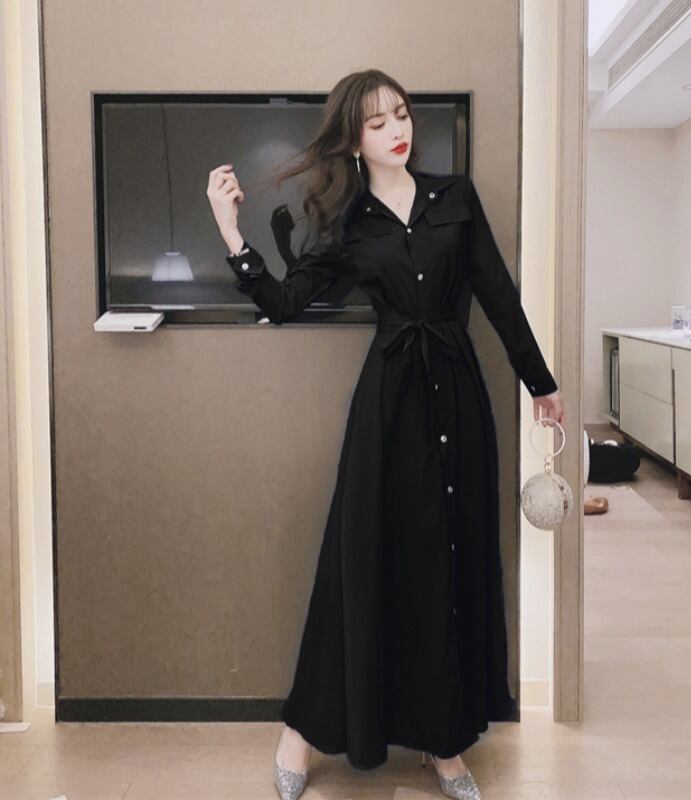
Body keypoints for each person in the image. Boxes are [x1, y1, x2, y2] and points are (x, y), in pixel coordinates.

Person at [206, 68, 565, 800]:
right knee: (362, 561)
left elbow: (498, 295)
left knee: (450, 563)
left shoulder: (455, 197)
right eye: (377, 122)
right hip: (389, 410)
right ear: (353, 139)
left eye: (400, 114)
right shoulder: (348, 224)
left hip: (458, 398)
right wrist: (230, 231)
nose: (396, 130)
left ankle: (444, 740)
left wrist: (541, 384)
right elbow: (284, 302)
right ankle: (301, 731)